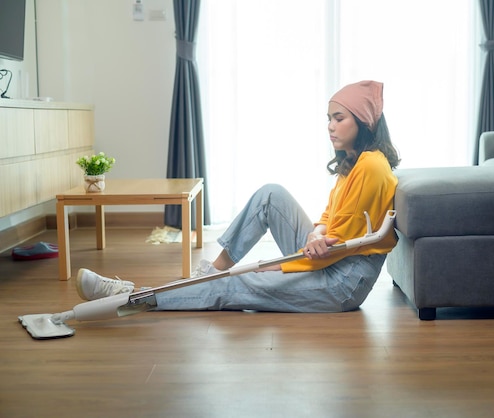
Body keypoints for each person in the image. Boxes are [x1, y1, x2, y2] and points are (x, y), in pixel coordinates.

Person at [76, 80, 400, 313]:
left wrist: (279, 267)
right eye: (328, 119)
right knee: (270, 195)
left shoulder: (371, 166)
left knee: (237, 285)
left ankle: (134, 296)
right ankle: (214, 272)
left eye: (338, 118)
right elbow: (330, 221)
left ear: (364, 120)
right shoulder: (354, 164)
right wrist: (315, 233)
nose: (330, 127)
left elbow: (339, 248)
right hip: (329, 260)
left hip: (342, 283)